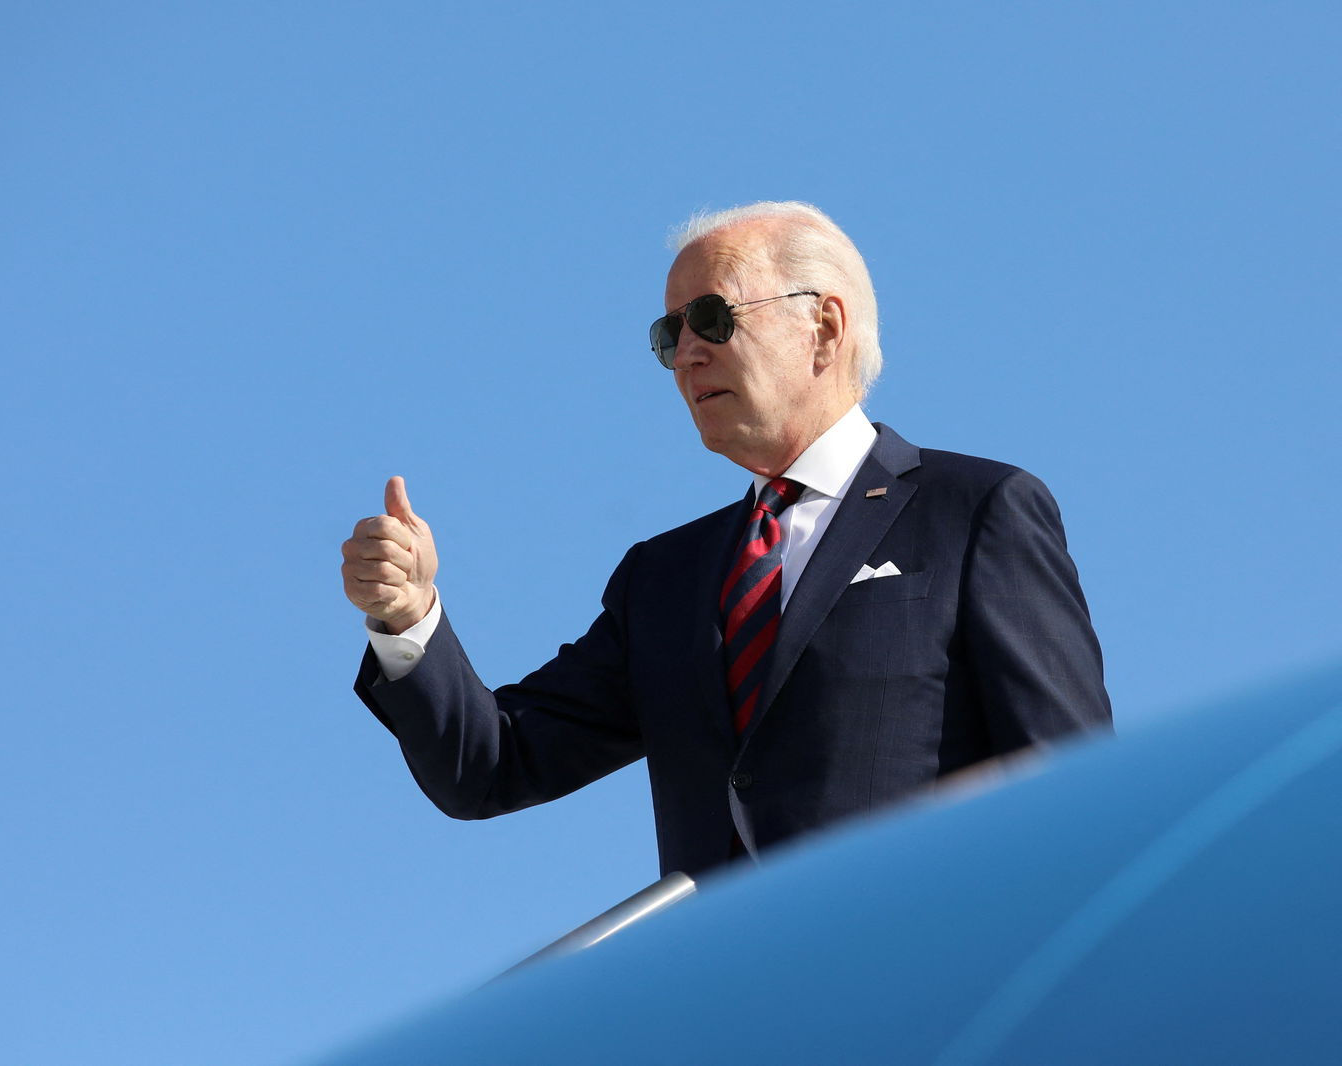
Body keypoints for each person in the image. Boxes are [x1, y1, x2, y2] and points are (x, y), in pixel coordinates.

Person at [340, 201, 1111, 880]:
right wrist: (407, 620)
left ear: (825, 327)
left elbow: (1072, 793)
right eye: (668, 334)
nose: (687, 353)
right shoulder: (664, 579)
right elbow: (492, 766)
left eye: (711, 319)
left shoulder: (974, 509)